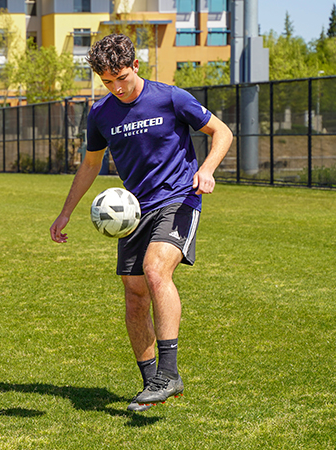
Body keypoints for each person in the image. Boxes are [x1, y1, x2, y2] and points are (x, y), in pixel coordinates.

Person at [49, 34, 233, 412]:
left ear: (135, 66)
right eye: (107, 82)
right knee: (134, 295)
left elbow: (222, 132)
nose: (116, 87)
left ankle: (169, 373)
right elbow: (90, 164)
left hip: (179, 198)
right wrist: (66, 211)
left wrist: (207, 169)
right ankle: (153, 383)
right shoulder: (101, 114)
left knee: (155, 271)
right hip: (134, 210)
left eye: (121, 77)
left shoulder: (170, 97)